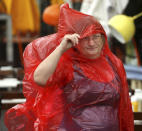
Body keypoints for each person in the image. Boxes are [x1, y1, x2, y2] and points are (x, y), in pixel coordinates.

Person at [5, 3, 134, 131]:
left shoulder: (113, 63)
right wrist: (61, 48)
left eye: (96, 36)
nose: (91, 43)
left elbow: (124, 108)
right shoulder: (68, 65)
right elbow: (39, 78)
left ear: (103, 38)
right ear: (77, 41)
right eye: (85, 38)